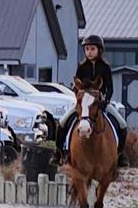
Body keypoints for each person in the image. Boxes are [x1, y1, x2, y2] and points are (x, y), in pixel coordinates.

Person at [52, 35, 128, 165]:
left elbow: (110, 88)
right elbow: (77, 87)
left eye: (92, 49)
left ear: (99, 50)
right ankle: (59, 152)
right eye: (87, 49)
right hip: (83, 103)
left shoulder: (105, 67)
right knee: (63, 122)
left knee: (122, 124)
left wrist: (106, 102)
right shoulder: (82, 67)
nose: (89, 52)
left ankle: (120, 154)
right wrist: (79, 100)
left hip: (100, 102)